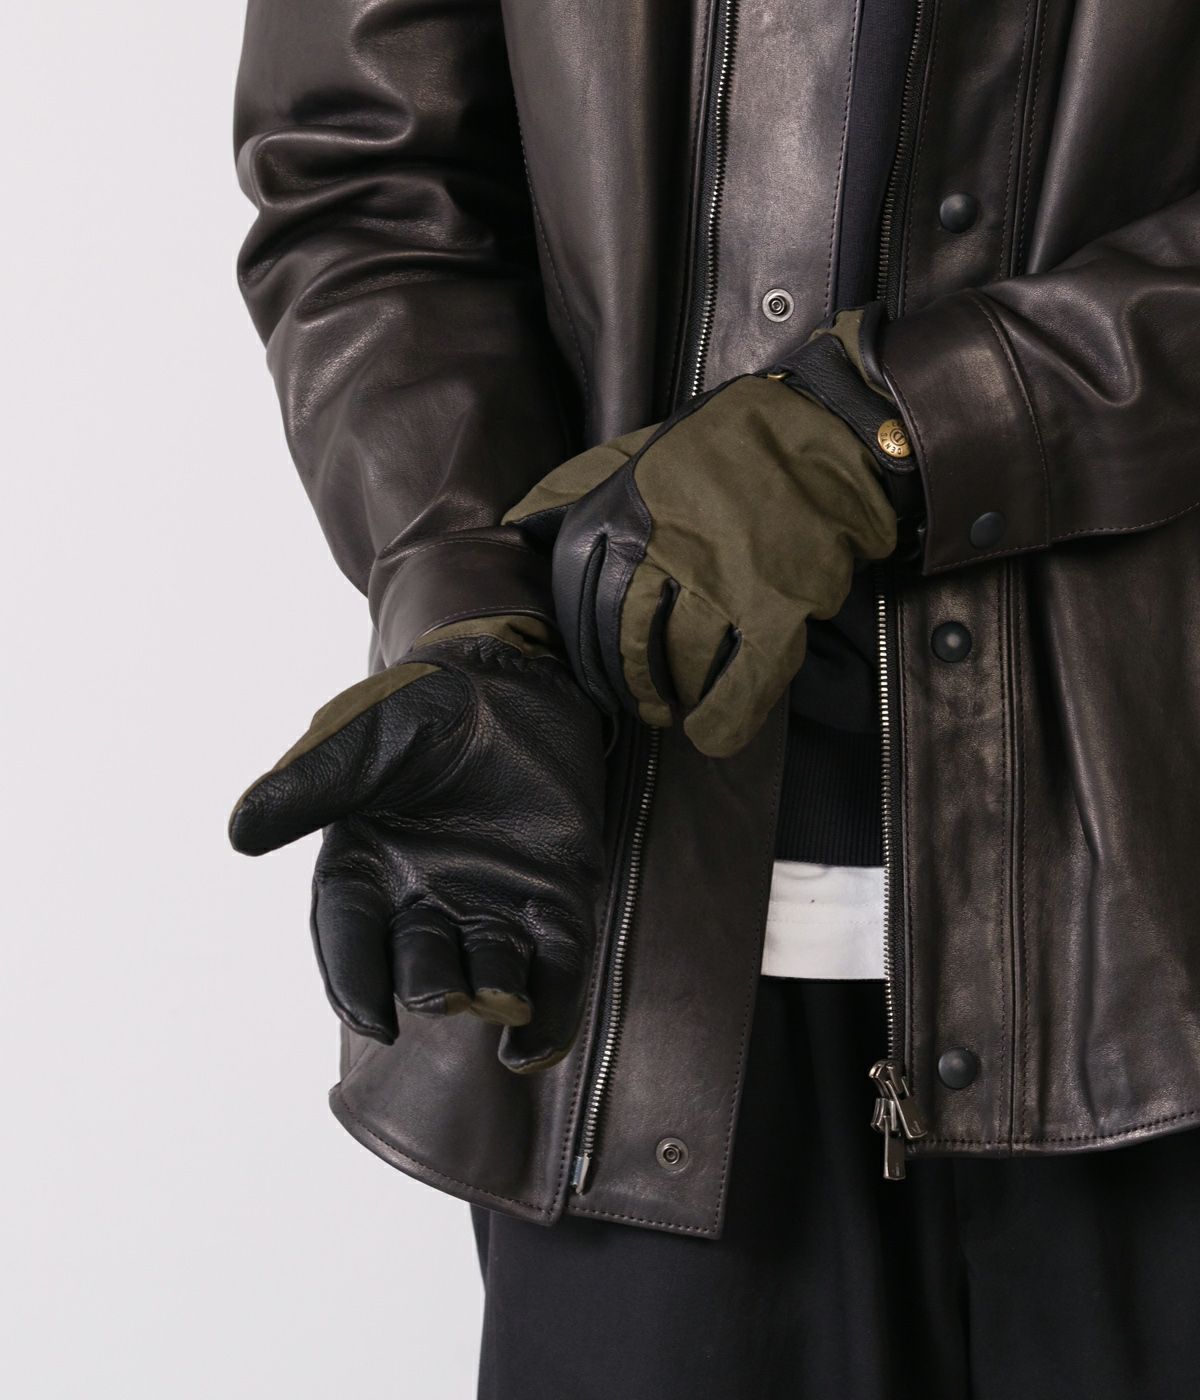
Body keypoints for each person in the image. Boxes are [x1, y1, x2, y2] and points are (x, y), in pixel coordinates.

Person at [228, 2, 1200, 1395]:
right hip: (634, 962)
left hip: (1153, 948)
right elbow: (366, 186)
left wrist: (899, 426)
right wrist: (472, 610)